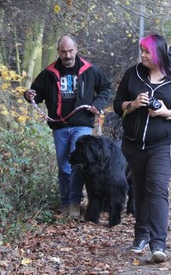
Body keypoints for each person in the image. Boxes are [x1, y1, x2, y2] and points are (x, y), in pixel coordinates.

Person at [113, 34, 171, 263]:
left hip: (165, 143)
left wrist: (166, 112)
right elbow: (117, 105)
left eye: (147, 52)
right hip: (134, 143)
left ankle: (158, 244)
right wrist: (132, 104)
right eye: (142, 51)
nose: (143, 55)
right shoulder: (133, 74)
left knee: (157, 188)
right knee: (140, 188)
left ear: (158, 54)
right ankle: (141, 235)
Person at [23, 35, 112, 218]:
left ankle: (74, 204)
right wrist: (28, 95)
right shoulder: (49, 73)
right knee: (64, 166)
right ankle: (65, 203)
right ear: (58, 52)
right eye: (63, 52)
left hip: (82, 124)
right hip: (60, 125)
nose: (67, 55)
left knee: (77, 163)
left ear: (76, 49)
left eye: (70, 51)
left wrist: (97, 104)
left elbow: (105, 88)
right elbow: (36, 94)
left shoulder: (89, 70)